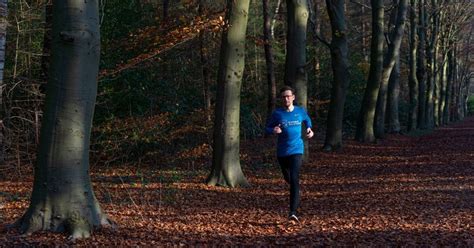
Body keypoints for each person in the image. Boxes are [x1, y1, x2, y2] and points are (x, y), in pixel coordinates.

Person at [265, 86, 314, 222]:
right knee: (288, 178)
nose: (286, 99)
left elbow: (307, 120)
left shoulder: (300, 111)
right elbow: (267, 128)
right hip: (282, 152)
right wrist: (273, 130)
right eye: (283, 97)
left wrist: (309, 129)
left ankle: (293, 212)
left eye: (288, 96)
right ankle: (296, 190)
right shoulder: (277, 114)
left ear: (293, 97)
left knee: (294, 178)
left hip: (297, 150)